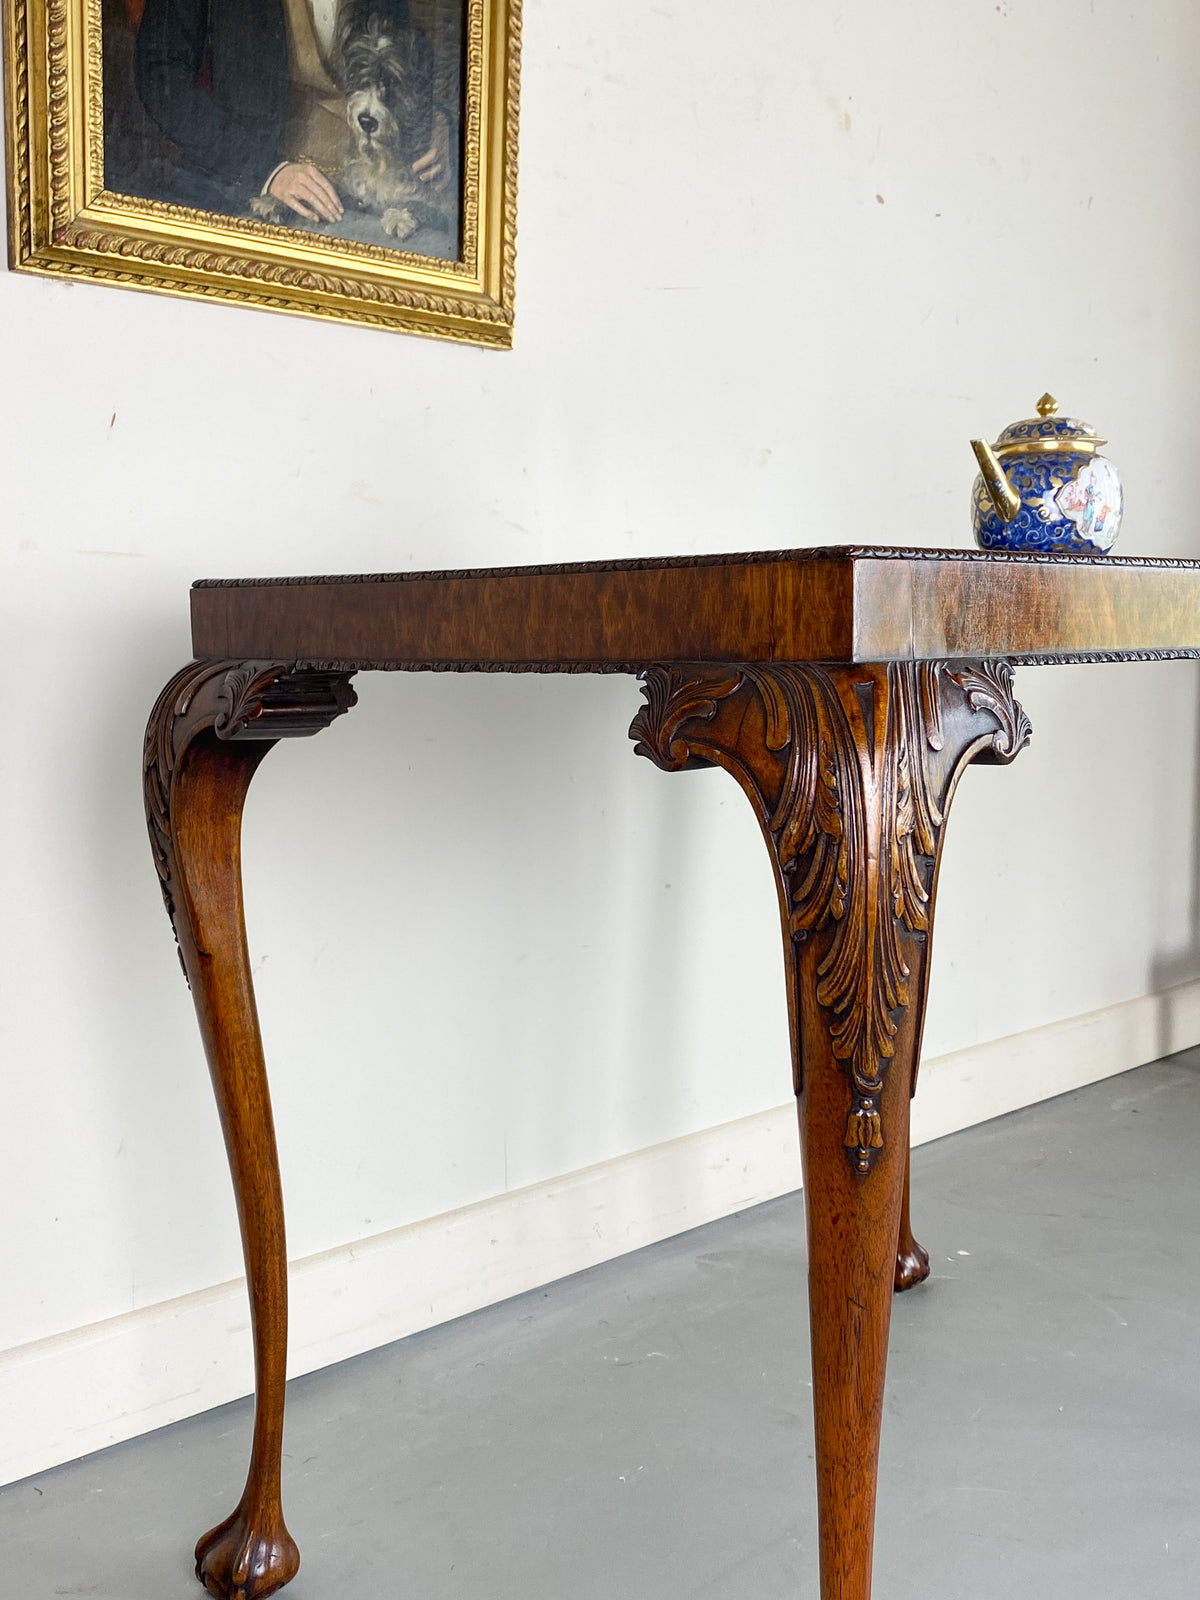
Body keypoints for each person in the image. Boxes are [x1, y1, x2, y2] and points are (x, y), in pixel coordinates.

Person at [134, 0, 450, 223]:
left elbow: (406, 57)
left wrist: (435, 119)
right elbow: (160, 76)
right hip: (250, 188)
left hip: (376, 191)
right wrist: (266, 172)